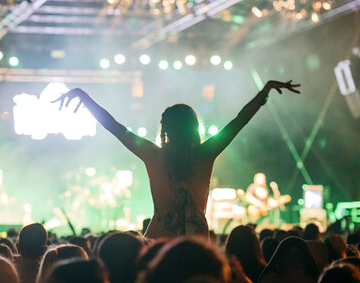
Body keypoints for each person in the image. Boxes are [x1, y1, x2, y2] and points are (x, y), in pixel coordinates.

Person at [54, 80, 300, 238]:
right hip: (197, 247)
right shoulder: (205, 155)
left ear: (165, 130)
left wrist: (84, 97)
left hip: (157, 244)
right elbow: (238, 122)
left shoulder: (153, 155)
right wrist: (263, 92)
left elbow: (115, 127)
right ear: (194, 128)